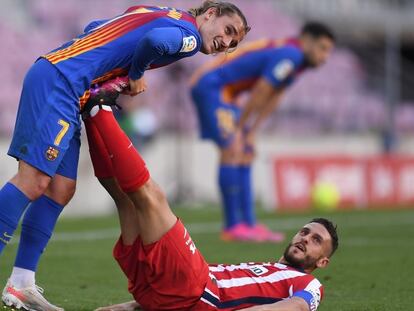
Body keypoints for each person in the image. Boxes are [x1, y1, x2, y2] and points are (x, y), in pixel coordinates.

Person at [0, 2, 249, 310]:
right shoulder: (190, 37)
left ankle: (22, 283)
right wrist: (136, 73)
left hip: (68, 84)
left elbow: (95, 26)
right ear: (209, 13)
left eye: (233, 43)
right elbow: (153, 42)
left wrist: (97, 64)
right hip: (60, 81)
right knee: (34, 180)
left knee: (60, 188)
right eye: (227, 31)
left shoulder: (155, 10)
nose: (225, 43)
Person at [79, 102, 339, 311]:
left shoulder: (310, 284)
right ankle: (91, 118)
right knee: (124, 200)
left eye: (316, 240)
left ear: (323, 261)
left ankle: (99, 109)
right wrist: (132, 306)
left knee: (151, 197)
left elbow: (295, 306)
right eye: (305, 232)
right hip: (162, 295)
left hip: (196, 288)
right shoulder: (269, 269)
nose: (305, 238)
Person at [190, 22, 335, 242]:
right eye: (323, 48)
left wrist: (252, 131)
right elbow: (261, 90)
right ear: (307, 40)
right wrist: (241, 128)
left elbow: (275, 95)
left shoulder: (296, 60)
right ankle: (232, 226)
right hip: (213, 86)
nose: (325, 58)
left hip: (228, 91)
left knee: (246, 150)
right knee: (232, 148)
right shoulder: (291, 54)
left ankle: (249, 224)